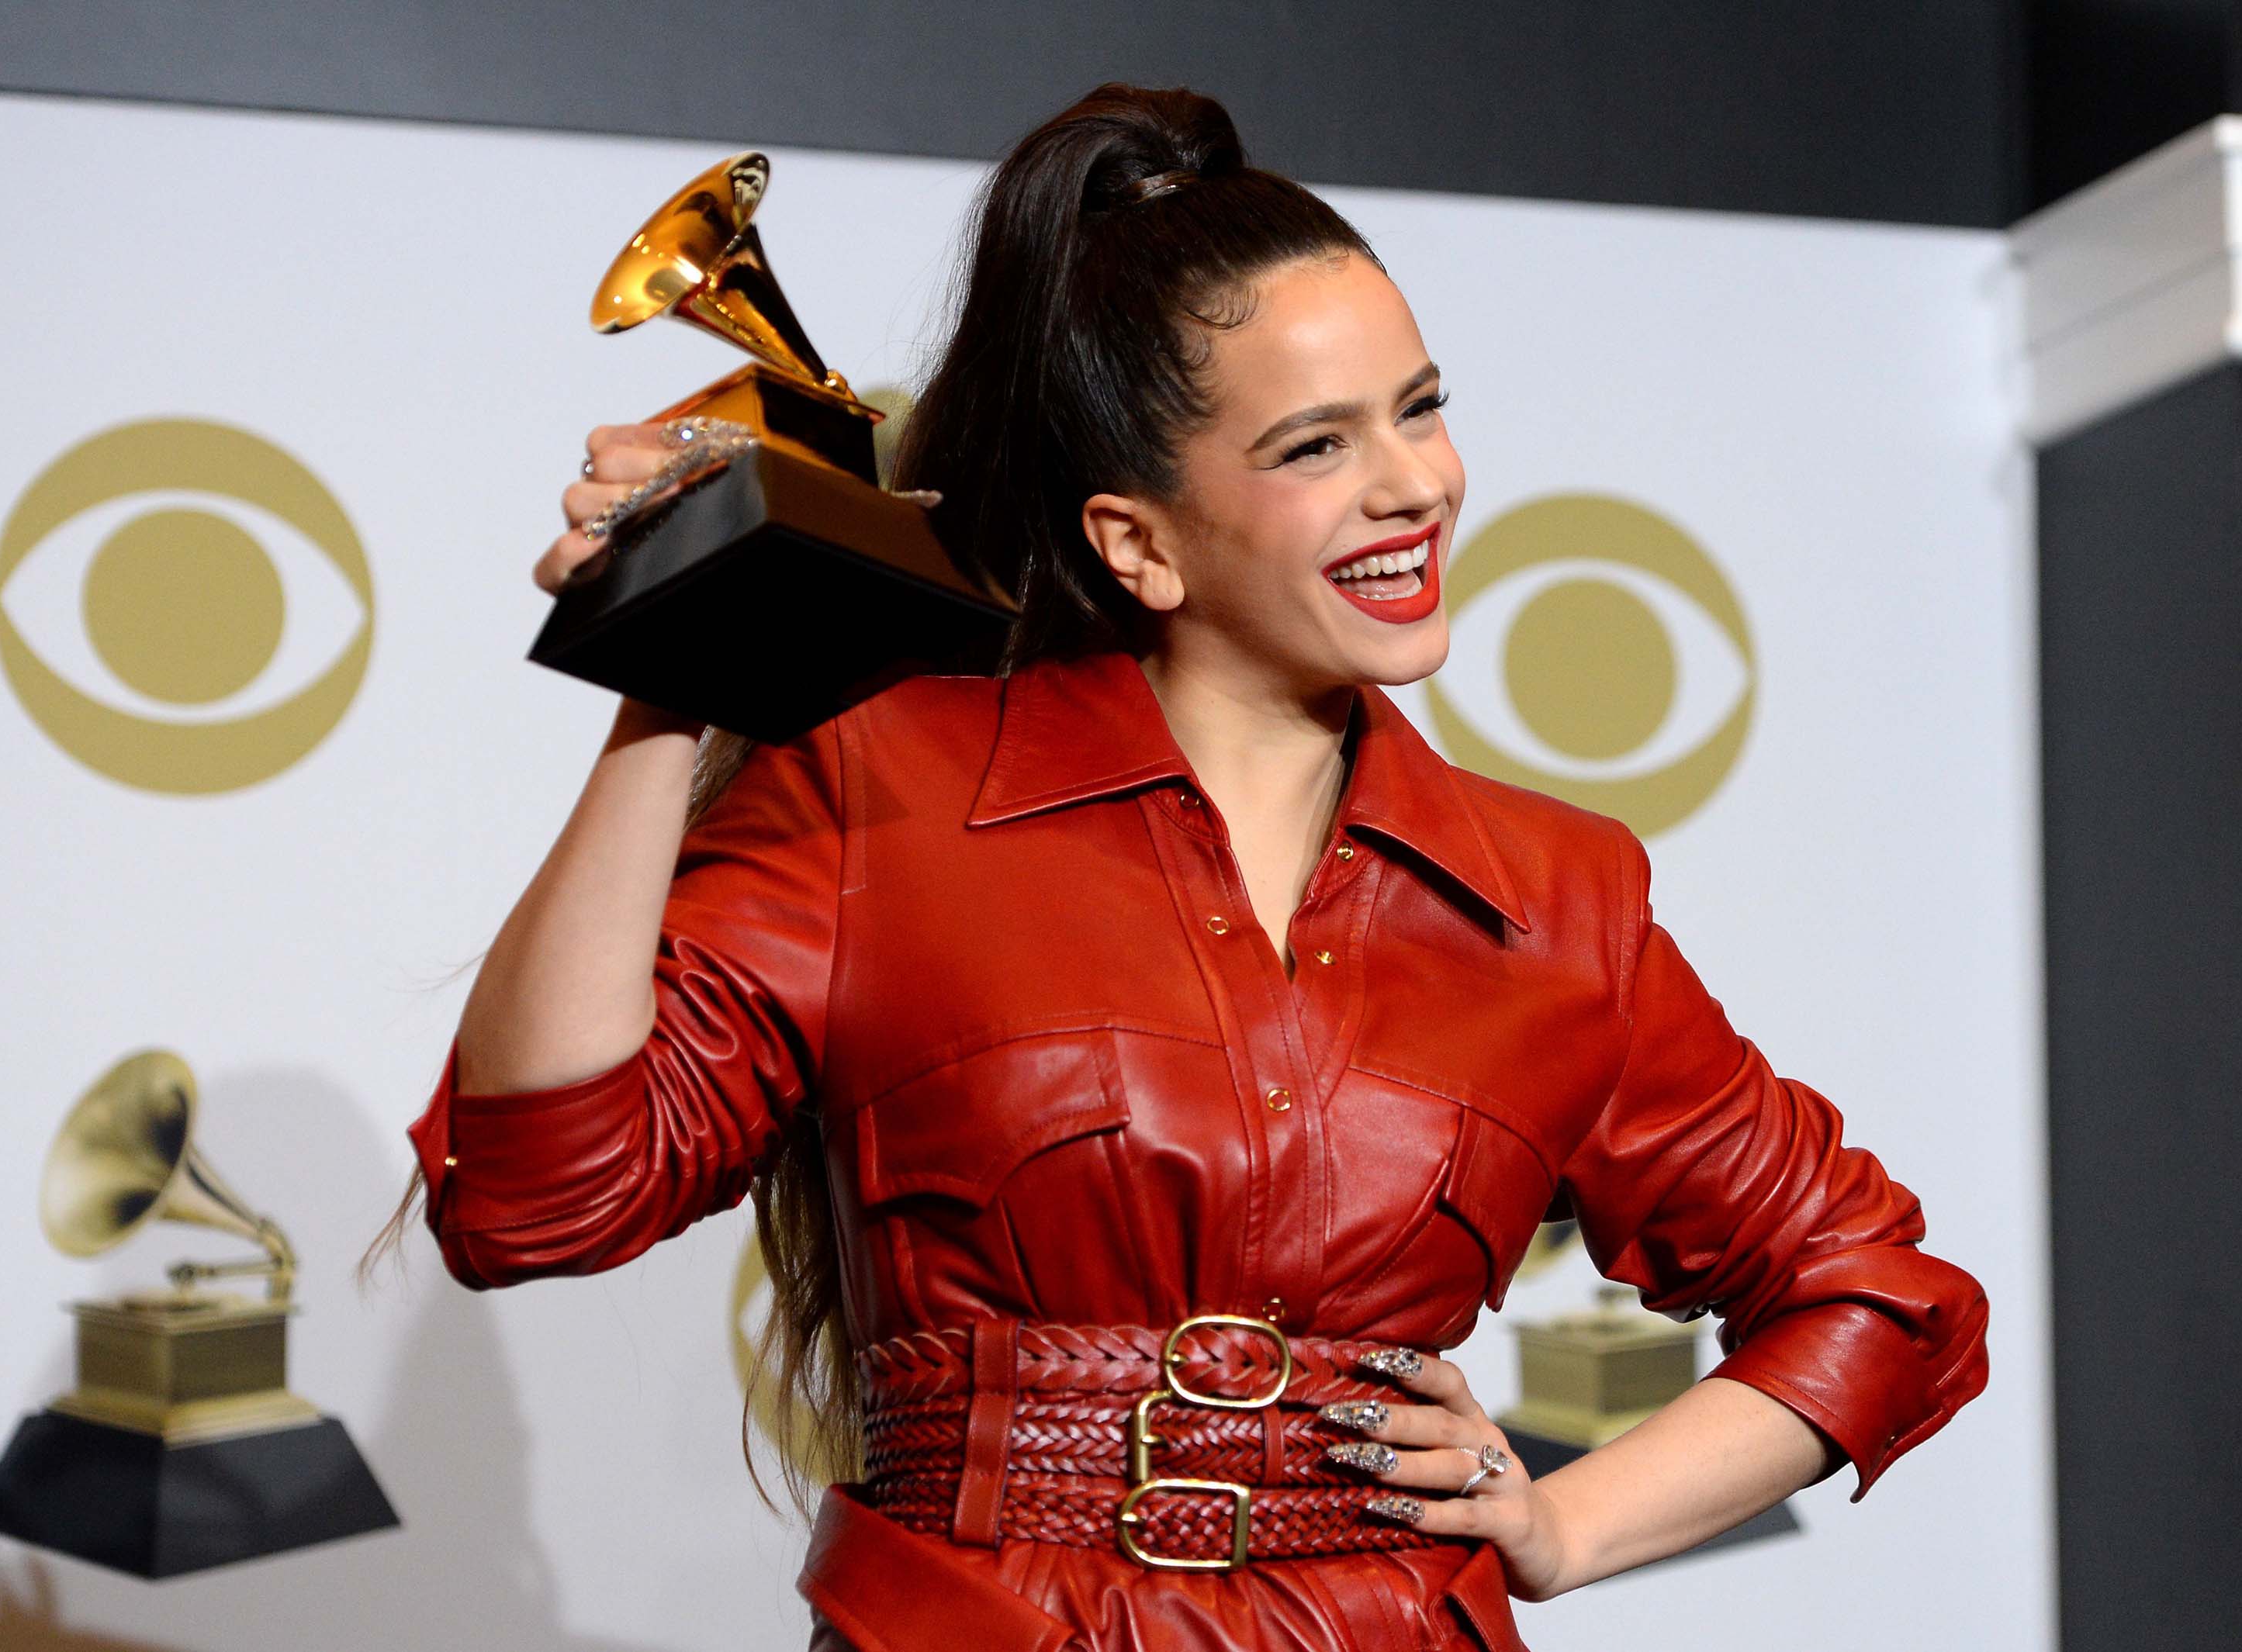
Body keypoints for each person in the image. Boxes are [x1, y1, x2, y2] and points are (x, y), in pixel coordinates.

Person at [388, 82, 1989, 1652]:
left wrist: (1564, 1525)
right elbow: (537, 1198)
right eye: (1315, 446)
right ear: (1136, 540)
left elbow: (1878, 1296)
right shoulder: (880, 784)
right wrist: (678, 678)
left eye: (1420, 409)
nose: (1413, 486)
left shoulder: (1557, 896)